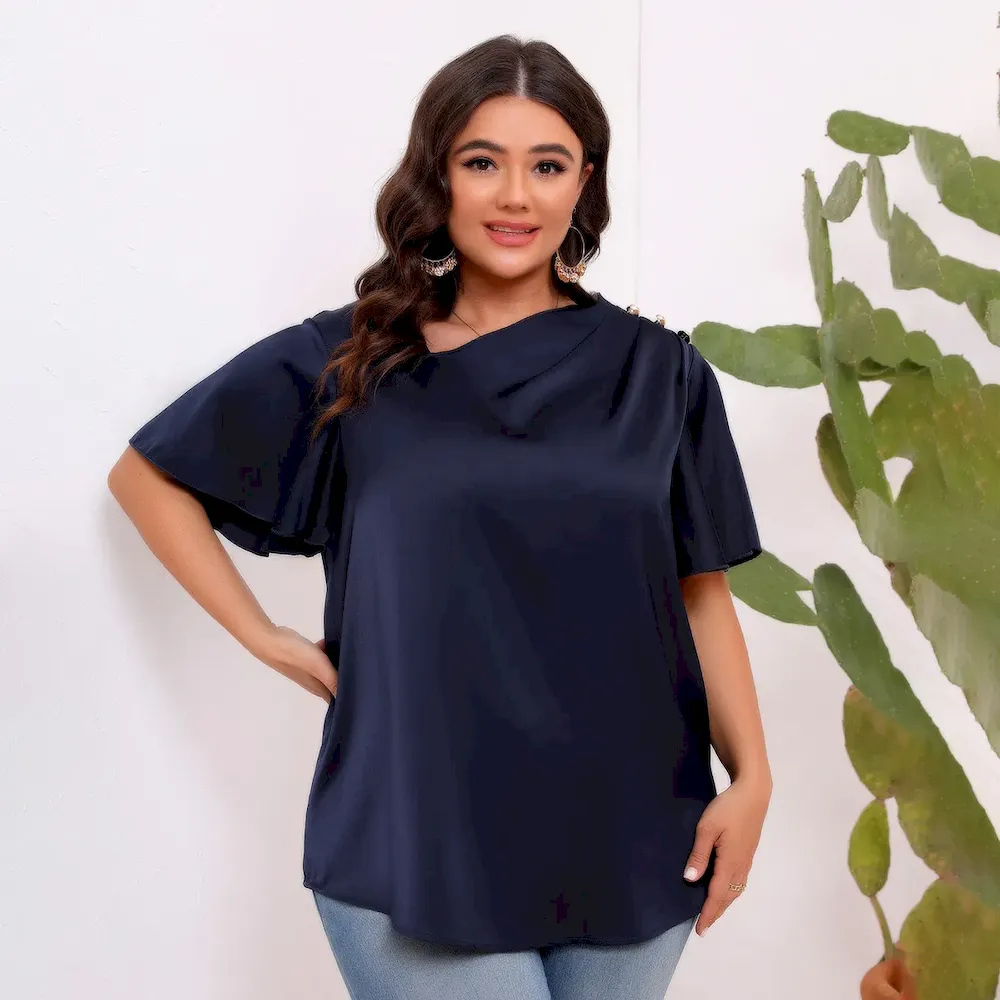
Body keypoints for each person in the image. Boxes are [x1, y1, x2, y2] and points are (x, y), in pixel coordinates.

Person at [108, 33, 773, 1000]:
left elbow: (699, 592)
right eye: (482, 162)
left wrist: (753, 778)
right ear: (439, 175)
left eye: (548, 166)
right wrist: (262, 635)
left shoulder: (661, 373)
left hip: (633, 825)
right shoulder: (351, 363)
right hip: (414, 829)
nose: (516, 197)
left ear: (585, 182)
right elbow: (149, 475)